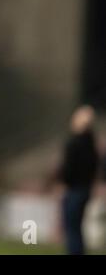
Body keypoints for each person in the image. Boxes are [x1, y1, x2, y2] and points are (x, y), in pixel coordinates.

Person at [59, 105, 99, 255]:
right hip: (85, 189)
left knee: (72, 228)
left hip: (74, 189)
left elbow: (68, 169)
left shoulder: (74, 144)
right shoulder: (92, 145)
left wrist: (64, 183)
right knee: (77, 227)